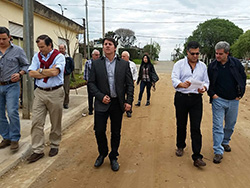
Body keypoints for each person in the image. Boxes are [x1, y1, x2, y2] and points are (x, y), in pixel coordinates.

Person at [88, 37, 134, 171]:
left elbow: (130, 85)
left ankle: (113, 156)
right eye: (105, 44)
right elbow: (91, 83)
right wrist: (100, 96)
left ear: (115, 47)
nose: (107, 46)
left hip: (117, 103)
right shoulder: (96, 64)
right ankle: (102, 153)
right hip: (102, 102)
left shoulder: (123, 64)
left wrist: (128, 101)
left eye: (110, 44)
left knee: (116, 132)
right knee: (99, 130)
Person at [27, 35, 65, 163]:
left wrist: (40, 70)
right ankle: (37, 150)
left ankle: (54, 144)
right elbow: (31, 73)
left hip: (55, 92)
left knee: (55, 121)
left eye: (42, 46)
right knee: (37, 121)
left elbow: (55, 72)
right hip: (40, 92)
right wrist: (46, 71)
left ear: (49, 45)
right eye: (39, 47)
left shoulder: (59, 57)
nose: (40, 49)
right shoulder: (36, 57)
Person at [171, 41, 209, 167]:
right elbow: (174, 78)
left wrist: (204, 88)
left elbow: (206, 81)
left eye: (197, 53)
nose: (195, 56)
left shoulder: (203, 66)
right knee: (181, 124)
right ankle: (180, 145)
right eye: (192, 53)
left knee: (196, 127)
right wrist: (181, 84)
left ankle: (197, 156)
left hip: (196, 99)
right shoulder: (179, 64)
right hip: (181, 97)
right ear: (187, 52)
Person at [208, 41, 246, 164]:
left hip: (234, 100)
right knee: (218, 126)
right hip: (218, 100)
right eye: (216, 53)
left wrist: (240, 94)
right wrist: (213, 95)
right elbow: (207, 81)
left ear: (227, 53)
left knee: (230, 124)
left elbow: (243, 78)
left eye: (220, 54)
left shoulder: (236, 64)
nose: (217, 56)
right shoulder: (212, 66)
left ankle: (225, 142)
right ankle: (218, 151)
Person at [0, 27, 29, 151]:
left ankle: (14, 138)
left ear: (9, 37)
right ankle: (6, 137)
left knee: (12, 111)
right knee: (0, 114)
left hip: (12, 85)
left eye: (4, 39)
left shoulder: (17, 50)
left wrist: (20, 73)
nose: (1, 41)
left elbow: (26, 65)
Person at [121, 51, 138, 117]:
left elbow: (135, 73)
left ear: (128, 57)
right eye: (122, 56)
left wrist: (133, 80)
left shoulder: (132, 64)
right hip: (121, 83)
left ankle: (129, 111)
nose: (122, 57)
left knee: (129, 97)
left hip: (129, 83)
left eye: (124, 56)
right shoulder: (119, 64)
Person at [83, 49, 100, 115]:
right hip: (91, 82)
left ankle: (98, 108)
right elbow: (86, 72)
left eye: (98, 55)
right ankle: (90, 109)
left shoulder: (100, 63)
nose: (97, 56)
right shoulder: (88, 62)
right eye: (96, 55)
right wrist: (88, 81)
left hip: (98, 82)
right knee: (90, 96)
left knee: (98, 96)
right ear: (92, 55)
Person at [58, 44, 74, 109]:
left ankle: (66, 103)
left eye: (62, 48)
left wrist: (68, 71)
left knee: (66, 89)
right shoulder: (57, 57)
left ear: (65, 49)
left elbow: (72, 66)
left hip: (66, 75)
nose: (61, 50)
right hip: (58, 74)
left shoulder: (68, 58)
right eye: (60, 48)